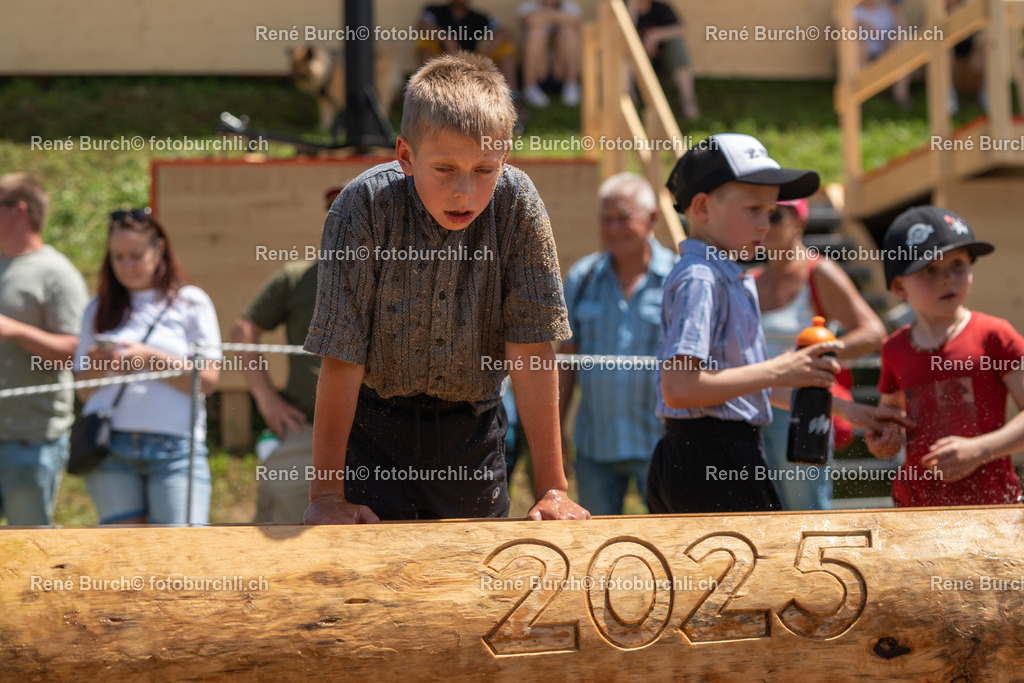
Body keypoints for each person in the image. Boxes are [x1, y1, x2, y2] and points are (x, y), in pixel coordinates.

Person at [302, 52, 589, 524]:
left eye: (484, 170)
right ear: (406, 156)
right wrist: (327, 495)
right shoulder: (361, 209)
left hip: (471, 437)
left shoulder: (519, 206)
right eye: (444, 169)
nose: (465, 192)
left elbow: (532, 348)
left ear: (504, 156)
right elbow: (342, 355)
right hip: (373, 436)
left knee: (476, 586)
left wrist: (553, 489)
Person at [649, 133, 910, 514]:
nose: (764, 225)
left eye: (772, 213)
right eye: (753, 209)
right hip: (707, 457)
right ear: (702, 207)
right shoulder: (701, 278)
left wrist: (850, 411)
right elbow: (679, 388)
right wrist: (781, 368)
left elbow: (741, 386)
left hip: (725, 451)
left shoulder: (730, 278)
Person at [866, 206, 1024, 506]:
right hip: (915, 507)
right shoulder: (893, 349)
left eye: (958, 265)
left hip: (991, 506)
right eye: (930, 270)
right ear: (899, 286)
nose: (948, 279)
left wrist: (980, 449)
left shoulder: (995, 335)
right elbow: (889, 420)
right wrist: (883, 441)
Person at [74, 208, 221, 524]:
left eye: (136, 255)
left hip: (175, 449)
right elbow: (84, 392)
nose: (127, 266)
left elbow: (207, 381)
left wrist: (151, 359)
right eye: (118, 257)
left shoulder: (192, 302)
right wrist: (103, 365)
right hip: (109, 448)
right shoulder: (97, 307)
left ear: (159, 248)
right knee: (125, 562)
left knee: (182, 558)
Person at [753, 197, 887, 510]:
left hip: (802, 410)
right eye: (758, 213)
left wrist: (815, 359)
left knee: (805, 511)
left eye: (776, 216)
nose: (764, 224)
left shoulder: (818, 271)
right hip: (757, 407)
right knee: (763, 513)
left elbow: (873, 332)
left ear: (799, 221)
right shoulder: (753, 280)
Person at [559, 172, 676, 515]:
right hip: (596, 447)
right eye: (606, 219)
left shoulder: (677, 279)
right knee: (594, 551)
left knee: (670, 540)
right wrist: (556, 435)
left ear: (652, 218)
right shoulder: (582, 278)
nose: (613, 228)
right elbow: (566, 360)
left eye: (623, 218)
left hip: (660, 445)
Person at [232, 185, 344, 523]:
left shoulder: (395, 277)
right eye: (337, 219)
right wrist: (266, 398)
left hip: (377, 435)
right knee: (279, 541)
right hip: (304, 431)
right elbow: (243, 330)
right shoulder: (297, 278)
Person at [0, 173, 88, 526]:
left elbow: (79, 353)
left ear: (19, 210)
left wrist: (16, 330)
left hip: (31, 438)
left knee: (28, 546)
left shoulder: (56, 273)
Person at [417, 1, 519, 93]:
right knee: (425, 42)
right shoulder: (434, 11)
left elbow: (505, 31)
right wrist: (446, 38)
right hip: (440, 60)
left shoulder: (479, 18)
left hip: (469, 62)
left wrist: (496, 41)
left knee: (506, 47)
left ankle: (513, 97)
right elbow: (423, 24)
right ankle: (428, 92)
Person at [631, 0, 700, 120]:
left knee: (677, 44)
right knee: (625, 56)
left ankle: (688, 101)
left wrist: (654, 35)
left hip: (662, 66)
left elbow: (681, 30)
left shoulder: (661, 8)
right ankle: (630, 106)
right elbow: (622, 33)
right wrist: (632, 6)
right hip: (634, 69)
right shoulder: (622, 8)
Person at [518, 0, 583, 108]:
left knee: (569, 33)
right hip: (540, 71)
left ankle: (572, 84)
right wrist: (560, 17)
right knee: (536, 34)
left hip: (560, 70)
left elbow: (575, 22)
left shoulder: (570, 6)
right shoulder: (528, 5)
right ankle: (529, 86)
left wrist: (546, 15)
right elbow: (530, 21)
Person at [854, 0, 911, 109]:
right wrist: (861, 24)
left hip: (884, 55)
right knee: (858, 44)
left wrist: (896, 10)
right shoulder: (854, 11)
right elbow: (836, 29)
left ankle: (900, 95)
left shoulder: (887, 10)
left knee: (902, 41)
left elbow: (904, 31)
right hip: (862, 58)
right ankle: (859, 95)